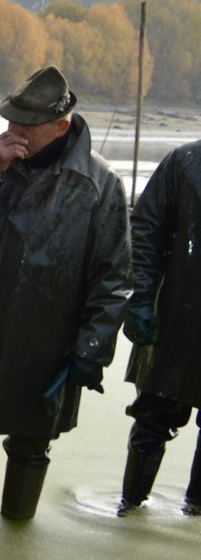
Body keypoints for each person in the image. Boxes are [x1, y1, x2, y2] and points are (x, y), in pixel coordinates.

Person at [0, 66, 130, 520]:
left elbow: (114, 277)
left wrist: (90, 348)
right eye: (9, 122)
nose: (13, 133)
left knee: (32, 445)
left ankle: (17, 525)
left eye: (25, 126)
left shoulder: (99, 183)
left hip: (50, 340)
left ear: (60, 127)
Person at [117, 139, 201, 516]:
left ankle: (196, 508)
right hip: (175, 315)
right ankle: (132, 503)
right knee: (153, 415)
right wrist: (140, 295)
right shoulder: (184, 162)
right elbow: (145, 227)